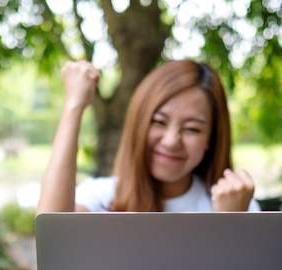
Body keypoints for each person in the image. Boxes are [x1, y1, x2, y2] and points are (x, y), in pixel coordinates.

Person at [37, 59, 259, 214]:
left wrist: (232, 223)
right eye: (159, 122)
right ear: (138, 124)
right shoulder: (100, 197)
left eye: (192, 129)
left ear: (212, 137)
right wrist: (74, 106)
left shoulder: (236, 205)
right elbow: (52, 239)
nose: (171, 141)